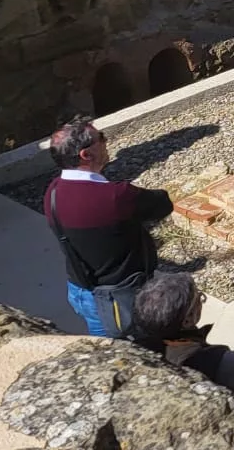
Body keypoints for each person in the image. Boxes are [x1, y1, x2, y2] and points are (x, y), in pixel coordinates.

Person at [43, 117, 173, 336]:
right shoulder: (115, 197)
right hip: (119, 299)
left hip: (81, 291)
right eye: (100, 138)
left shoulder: (52, 192)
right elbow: (162, 204)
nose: (106, 141)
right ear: (86, 155)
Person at [132, 272, 234, 405]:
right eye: (199, 298)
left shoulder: (136, 349)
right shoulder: (218, 361)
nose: (201, 300)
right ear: (188, 320)